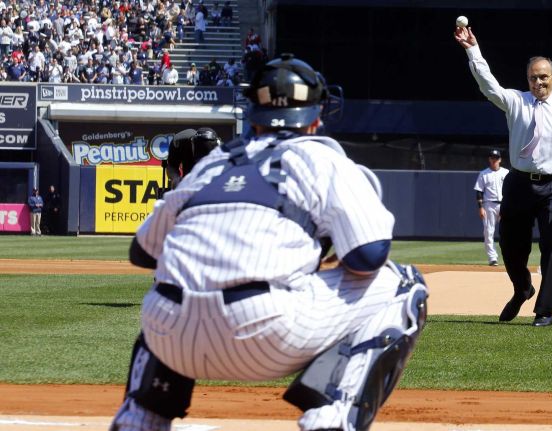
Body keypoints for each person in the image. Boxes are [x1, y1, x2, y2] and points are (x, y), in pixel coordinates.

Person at [109, 53, 428, 431]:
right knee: (404, 284)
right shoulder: (323, 157)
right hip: (267, 334)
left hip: (170, 340)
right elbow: (368, 256)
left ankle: (139, 418)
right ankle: (334, 418)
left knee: (169, 284)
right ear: (315, 116)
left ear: (254, 113)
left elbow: (143, 252)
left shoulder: (212, 163)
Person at [455, 25, 552, 327]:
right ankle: (522, 288)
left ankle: (544, 310)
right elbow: (487, 84)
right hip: (519, 183)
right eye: (533, 77)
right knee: (510, 245)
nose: (538, 82)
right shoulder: (515, 102)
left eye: (543, 76)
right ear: (527, 80)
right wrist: (473, 50)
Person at [474, 149, 509, 267]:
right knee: (488, 232)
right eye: (492, 157)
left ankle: (509, 257)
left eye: (496, 158)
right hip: (489, 205)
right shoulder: (484, 173)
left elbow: (511, 190)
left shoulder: (506, 172)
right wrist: (480, 208)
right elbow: (479, 192)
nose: (494, 160)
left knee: (508, 232)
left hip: (504, 204)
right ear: (489, 159)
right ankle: (493, 258)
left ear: (500, 159)